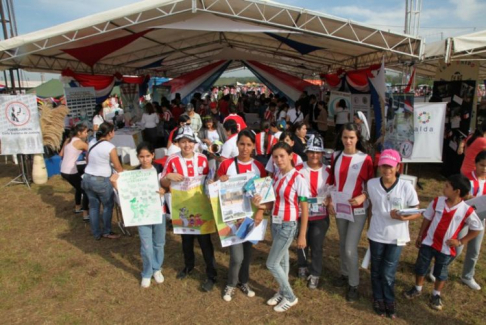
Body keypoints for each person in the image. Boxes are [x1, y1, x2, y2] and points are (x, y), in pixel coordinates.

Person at [404, 174, 483, 311]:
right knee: (421, 266)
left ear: (457, 191)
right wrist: (421, 235)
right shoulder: (437, 202)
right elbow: (427, 218)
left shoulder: (466, 210)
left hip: (446, 248)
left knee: (441, 273)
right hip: (428, 243)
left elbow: (477, 228)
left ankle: (436, 294)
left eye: (447, 186)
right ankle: (417, 288)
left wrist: (460, 241)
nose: (443, 188)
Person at [252, 142, 309, 312]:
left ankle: (290, 297)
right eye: (275, 157)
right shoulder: (276, 176)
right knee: (282, 262)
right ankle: (282, 291)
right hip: (275, 223)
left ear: (291, 156)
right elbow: (273, 203)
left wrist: (302, 234)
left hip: (288, 225)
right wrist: (259, 205)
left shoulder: (298, 178)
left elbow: (304, 209)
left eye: (282, 155)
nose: (278, 159)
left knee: (271, 264)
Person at [160, 126, 217, 292]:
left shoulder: (203, 159)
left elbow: (209, 179)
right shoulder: (172, 159)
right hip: (182, 206)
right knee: (186, 241)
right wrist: (168, 177)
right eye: (183, 142)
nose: (187, 145)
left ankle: (211, 273)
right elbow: (163, 182)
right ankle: (188, 266)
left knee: (205, 242)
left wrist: (212, 184)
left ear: (195, 143)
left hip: (201, 206)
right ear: (178, 143)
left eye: (190, 142)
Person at [367, 149, 421, 319]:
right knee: (376, 270)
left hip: (397, 236)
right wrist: (369, 227)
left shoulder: (406, 186)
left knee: (388, 271)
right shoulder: (372, 184)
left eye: (390, 166)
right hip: (376, 234)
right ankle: (378, 298)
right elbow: (370, 207)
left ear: (398, 167)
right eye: (383, 166)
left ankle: (389, 299)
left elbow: (417, 212)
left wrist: (402, 216)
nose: (387, 170)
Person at [217, 129, 267, 302]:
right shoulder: (226, 165)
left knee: (247, 255)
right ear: (236, 144)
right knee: (237, 256)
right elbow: (216, 192)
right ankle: (231, 284)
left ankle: (243, 281)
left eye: (249, 145)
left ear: (254, 146)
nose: (245, 148)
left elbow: (265, 194)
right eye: (242, 144)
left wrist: (260, 211)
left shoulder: (259, 167)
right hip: (232, 218)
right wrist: (219, 181)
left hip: (252, 218)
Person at [328, 122, 374, 301]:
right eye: (345, 137)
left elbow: (372, 185)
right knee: (342, 243)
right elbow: (332, 181)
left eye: (352, 137)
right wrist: (331, 199)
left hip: (358, 210)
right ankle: (344, 273)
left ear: (357, 139)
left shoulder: (365, 159)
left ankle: (354, 284)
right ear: (341, 138)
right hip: (340, 208)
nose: (348, 141)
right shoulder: (335, 156)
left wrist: (364, 196)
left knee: (349, 248)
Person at [110, 142, 166, 288]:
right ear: (137, 157)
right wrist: (116, 186)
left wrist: (164, 191)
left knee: (159, 243)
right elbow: (126, 197)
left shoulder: (160, 169)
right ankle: (147, 272)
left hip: (160, 211)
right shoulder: (132, 175)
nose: (145, 159)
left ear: (153, 155)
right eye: (141, 156)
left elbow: (168, 187)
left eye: (148, 156)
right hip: (142, 214)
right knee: (146, 245)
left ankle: (157, 268)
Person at [295, 135, 331, 290]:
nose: (314, 155)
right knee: (301, 240)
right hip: (301, 213)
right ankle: (302, 265)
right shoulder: (298, 169)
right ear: (306, 152)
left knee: (316, 243)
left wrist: (330, 199)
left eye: (317, 152)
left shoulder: (328, 171)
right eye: (311, 152)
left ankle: (315, 273)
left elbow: (332, 191)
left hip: (321, 215)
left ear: (322, 154)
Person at [82, 122, 124, 240]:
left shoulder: (91, 142)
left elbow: (87, 160)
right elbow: (118, 166)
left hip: (87, 177)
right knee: (107, 206)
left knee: (94, 206)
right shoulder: (110, 147)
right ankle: (107, 231)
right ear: (110, 133)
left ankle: (96, 233)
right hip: (101, 180)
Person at [455, 150, 486, 290]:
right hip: (463, 219)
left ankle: (467, 276)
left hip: (480, 220)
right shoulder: (467, 178)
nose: (484, 169)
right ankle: (437, 269)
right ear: (475, 164)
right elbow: (455, 196)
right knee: (457, 248)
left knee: (474, 250)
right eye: (481, 165)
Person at [60, 124, 89, 221]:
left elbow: (61, 154)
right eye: (85, 132)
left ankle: (78, 207)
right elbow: (92, 150)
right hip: (70, 171)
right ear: (79, 133)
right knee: (86, 190)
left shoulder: (68, 140)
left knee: (79, 187)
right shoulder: (80, 143)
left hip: (64, 170)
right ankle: (86, 214)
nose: (86, 134)